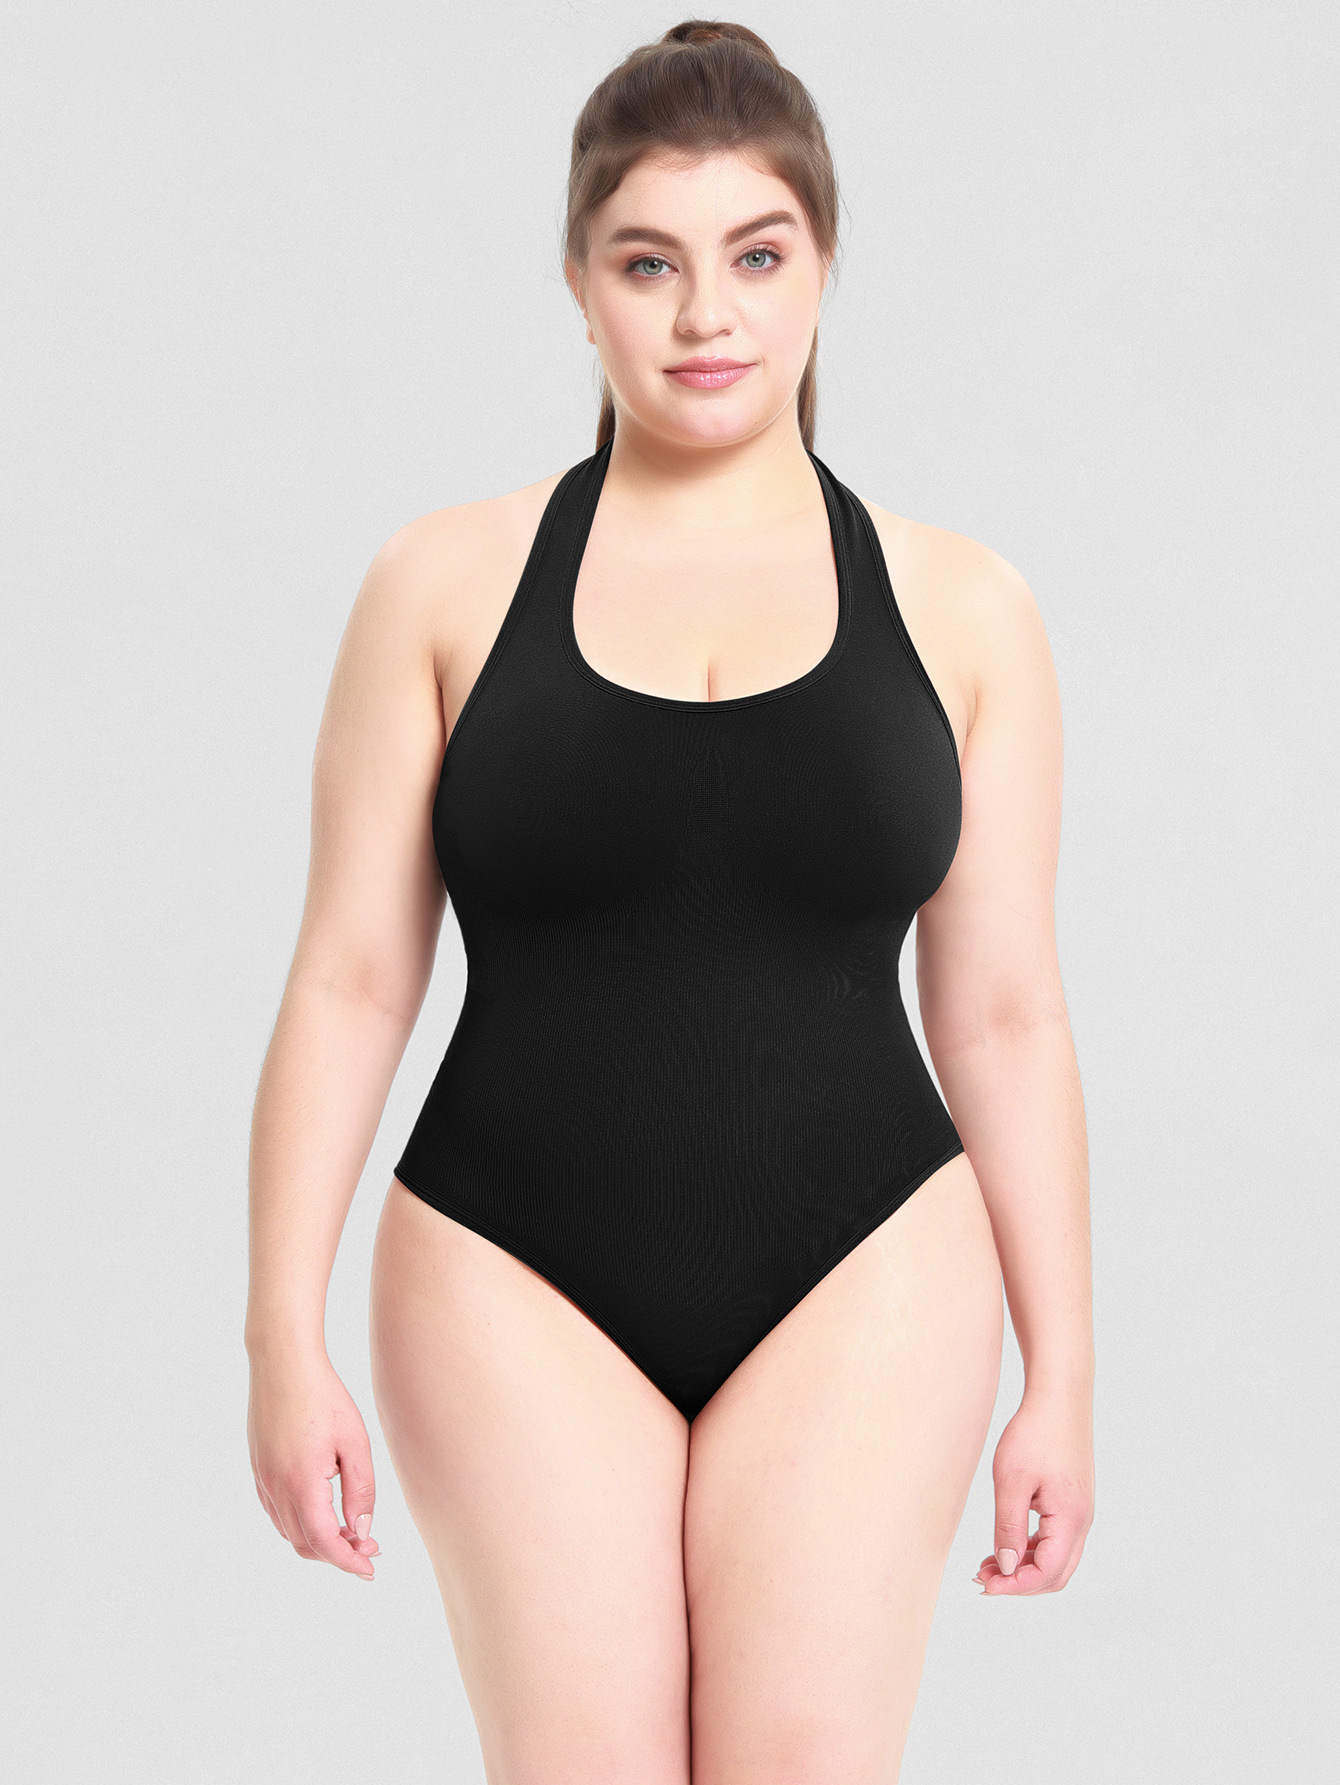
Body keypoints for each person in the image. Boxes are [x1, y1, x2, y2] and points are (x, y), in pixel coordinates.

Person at [245, 19, 1094, 1781]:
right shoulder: (440, 584)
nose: (708, 314)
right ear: (579, 284)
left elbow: (1005, 1013)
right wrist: (280, 1331)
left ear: (823, 268)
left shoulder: (965, 608)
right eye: (650, 263)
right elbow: (348, 979)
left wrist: (1065, 1372)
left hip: (868, 1263)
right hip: (506, 1267)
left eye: (756, 256)